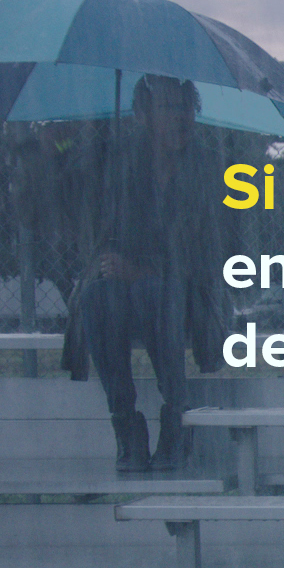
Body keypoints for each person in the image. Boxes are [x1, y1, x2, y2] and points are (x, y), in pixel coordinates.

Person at [75, 75, 233, 473]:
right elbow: (106, 231)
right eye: (168, 108)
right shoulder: (123, 162)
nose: (180, 117)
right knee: (97, 297)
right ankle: (125, 423)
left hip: (191, 291)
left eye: (186, 107)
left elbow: (206, 251)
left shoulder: (206, 165)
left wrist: (144, 269)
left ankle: (176, 417)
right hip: (132, 291)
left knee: (155, 291)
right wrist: (113, 259)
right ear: (143, 115)